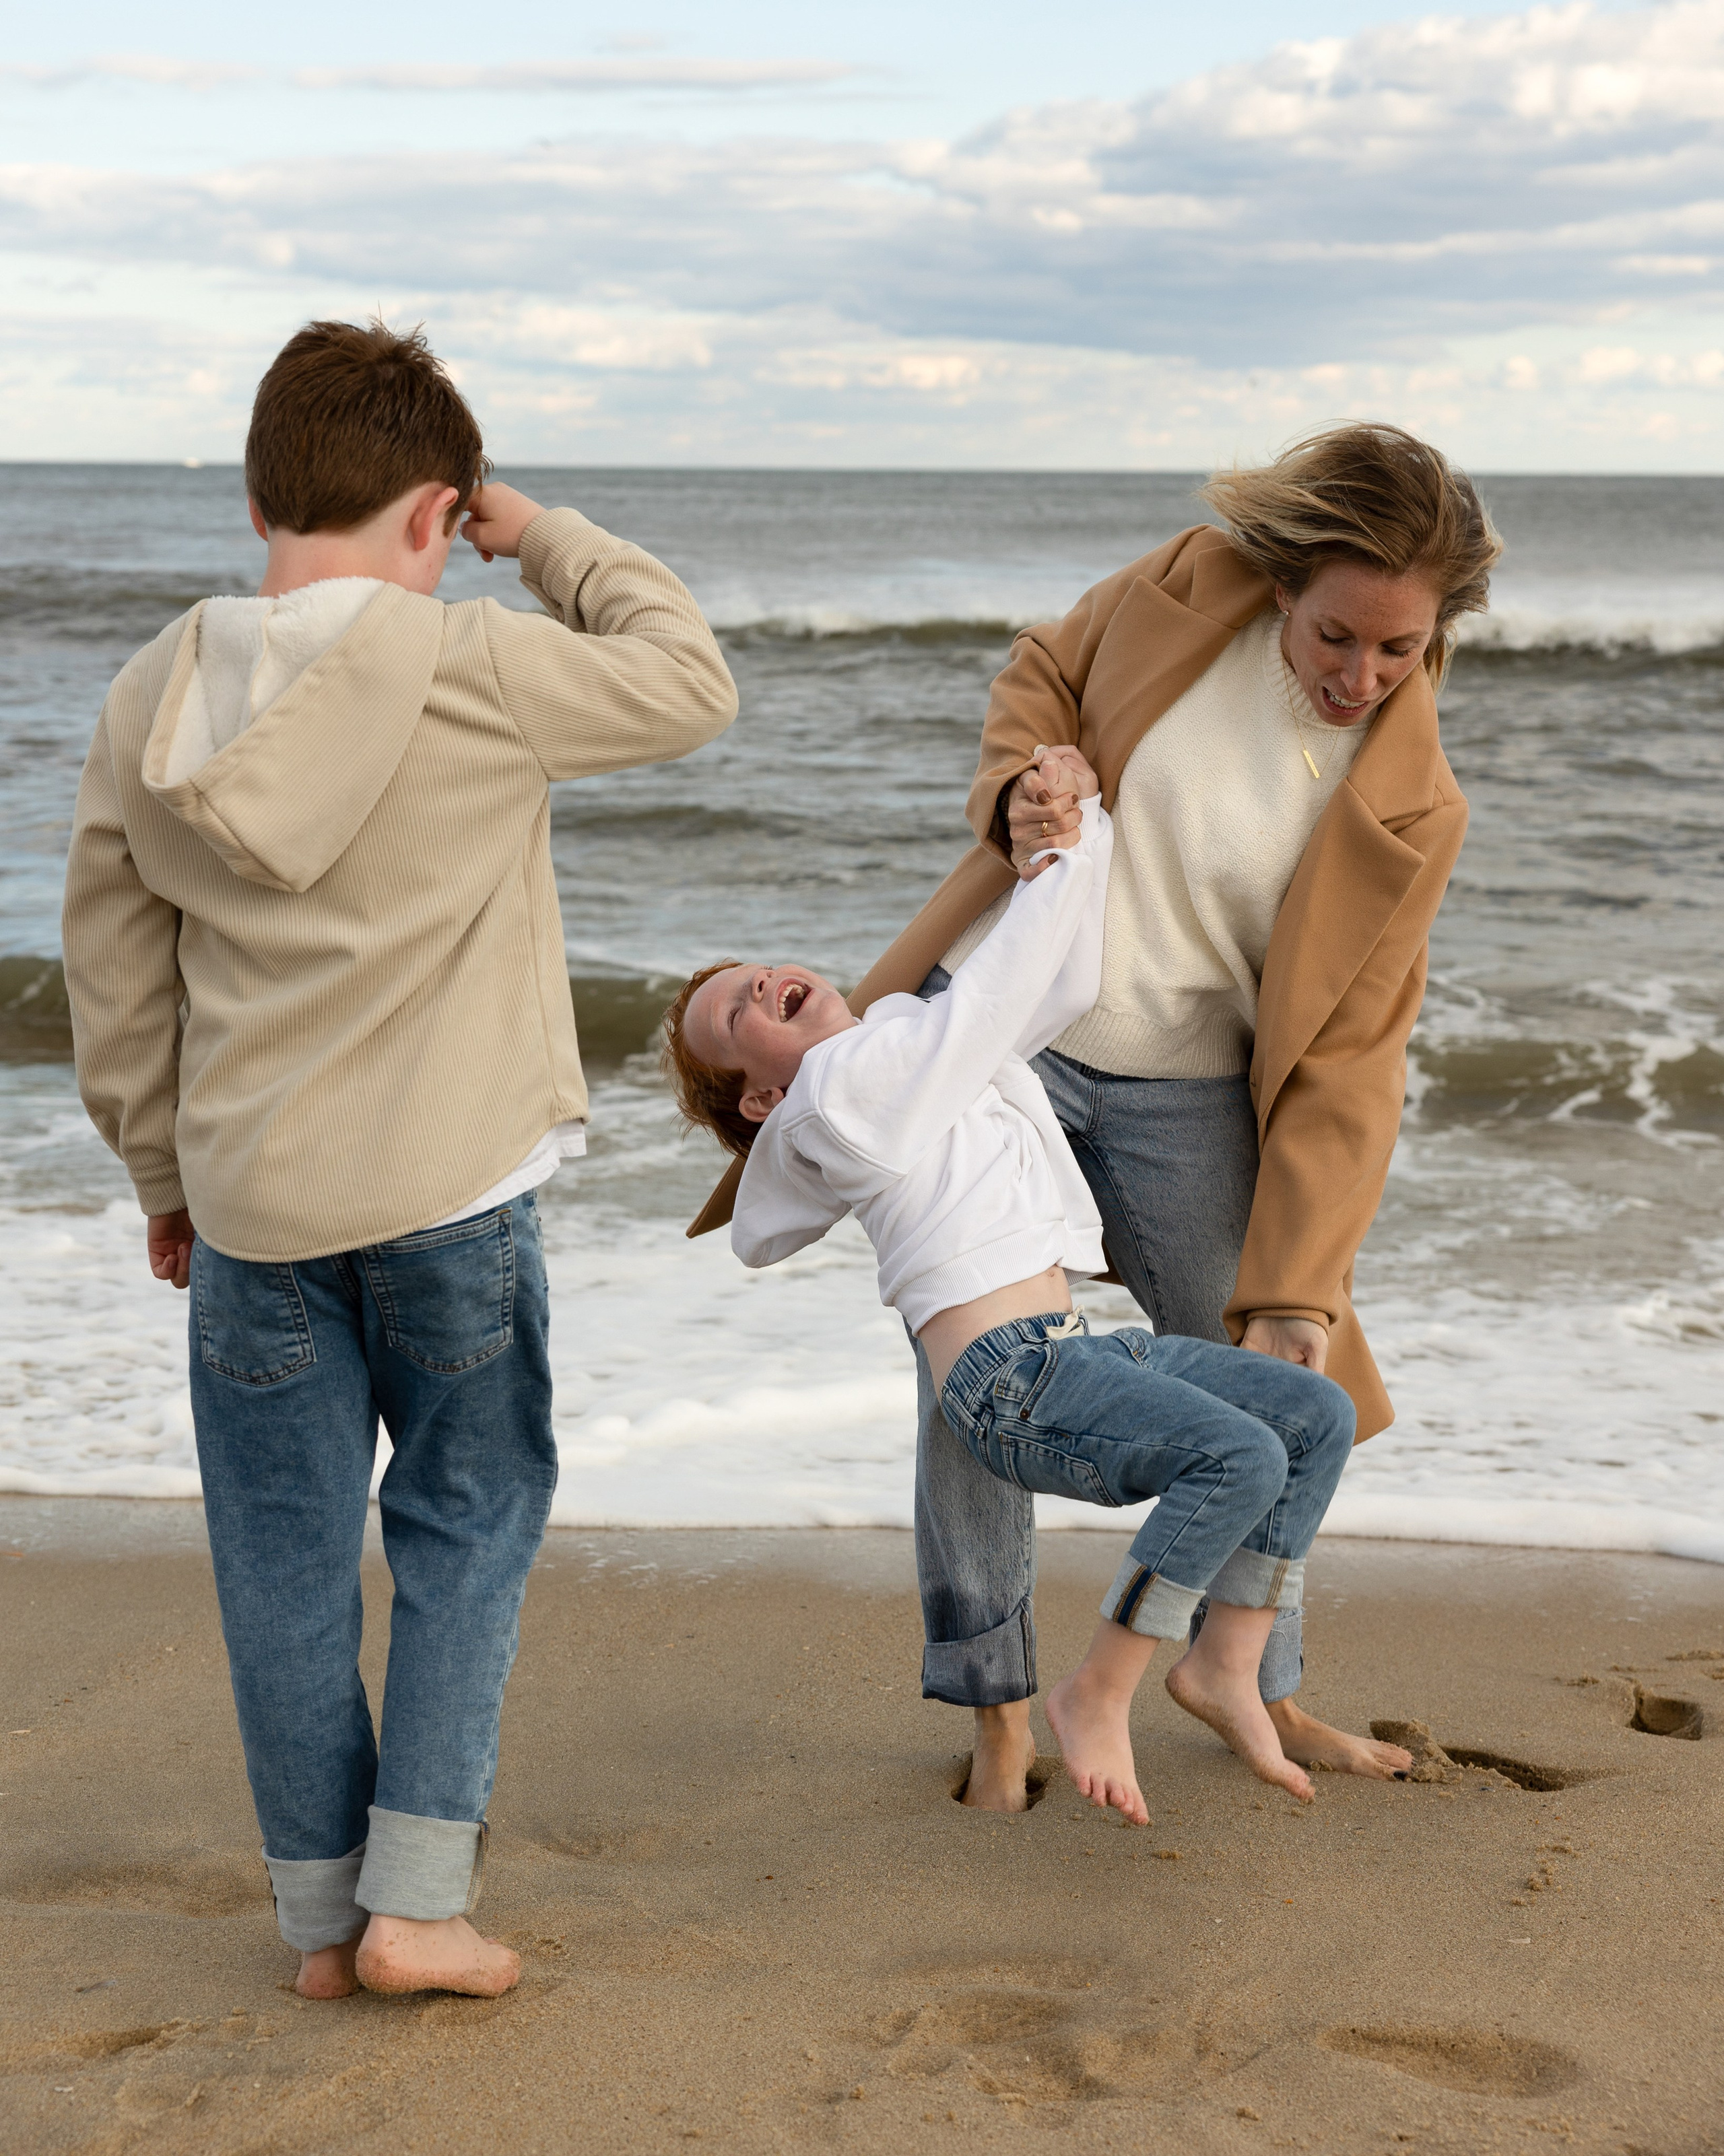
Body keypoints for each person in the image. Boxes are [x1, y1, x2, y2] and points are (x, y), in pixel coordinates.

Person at [61, 320, 737, 1999]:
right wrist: (543, 533)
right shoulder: (470, 662)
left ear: (258, 494)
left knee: (281, 1566)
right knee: (465, 1521)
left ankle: (314, 1923)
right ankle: (417, 1900)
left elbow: (114, 976)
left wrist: (163, 1176)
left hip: (251, 1212)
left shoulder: (152, 694)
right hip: (450, 1200)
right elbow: (688, 680)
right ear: (437, 513)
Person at [688, 423, 1500, 1810]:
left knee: (1259, 1363)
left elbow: (1356, 1048)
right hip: (1009, 1038)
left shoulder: (1410, 807)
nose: (1354, 674)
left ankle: (1251, 1673)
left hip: (1192, 1091)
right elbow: (1040, 672)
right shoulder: (1186, 587)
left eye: (1395, 651)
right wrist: (1025, 780)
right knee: (969, 1385)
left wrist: (1300, 1280)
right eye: (1332, 633)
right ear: (1288, 578)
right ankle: (997, 1705)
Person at [663, 751, 1357, 1819]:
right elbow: (996, 991)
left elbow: (1062, 982)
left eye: (750, 971)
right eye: (733, 1016)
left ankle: (1228, 1662)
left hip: (1078, 1349)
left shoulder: (901, 1048)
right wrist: (1072, 837)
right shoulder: (841, 1101)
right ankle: (1104, 1685)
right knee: (1242, 1452)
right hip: (1007, 1383)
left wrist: (1080, 831)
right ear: (760, 1098)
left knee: (1315, 1413)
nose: (758, 985)